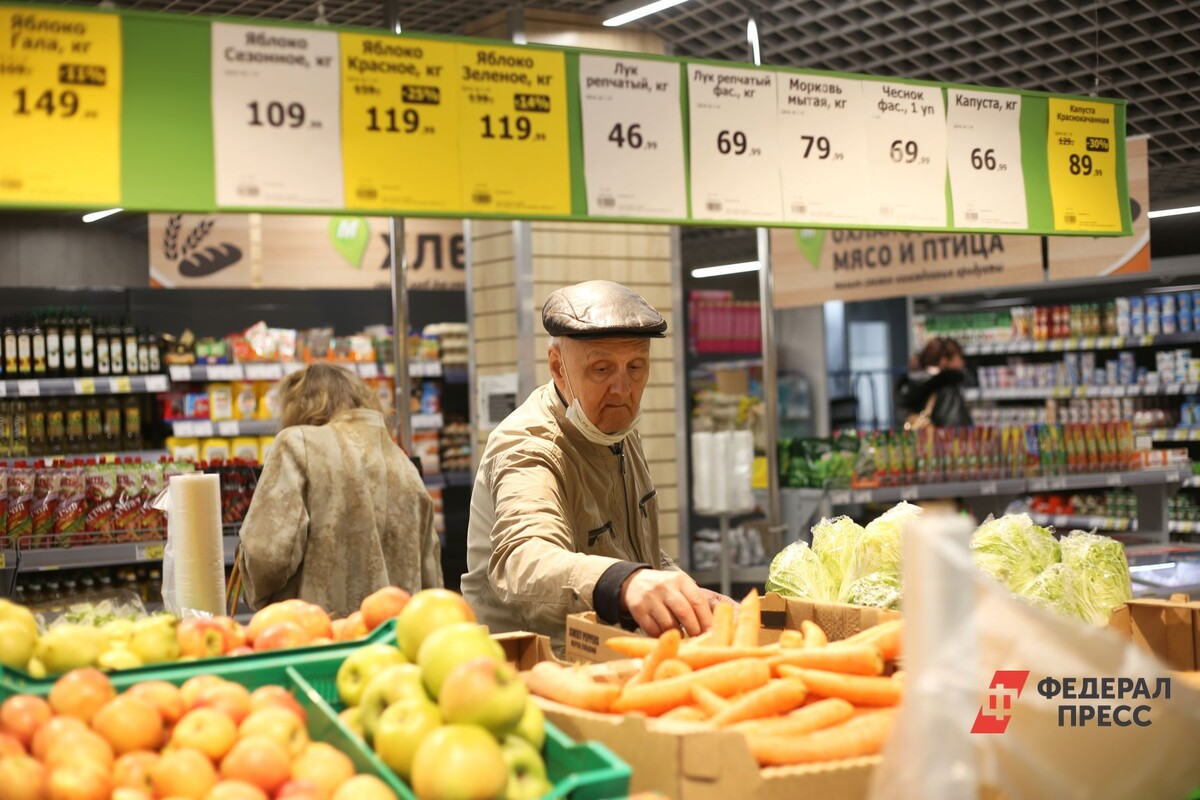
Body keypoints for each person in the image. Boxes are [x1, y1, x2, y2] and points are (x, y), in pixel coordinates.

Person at [462, 280, 721, 649]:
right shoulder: (527, 445)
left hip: (608, 656)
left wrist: (685, 591)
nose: (622, 388)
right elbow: (523, 560)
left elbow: (628, 551)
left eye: (636, 366)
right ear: (558, 367)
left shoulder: (616, 430)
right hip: (529, 670)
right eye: (602, 369)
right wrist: (626, 582)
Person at [238, 363, 442, 616]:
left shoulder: (298, 444)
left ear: (299, 406)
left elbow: (266, 556)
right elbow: (431, 583)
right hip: (391, 643)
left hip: (319, 639)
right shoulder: (404, 465)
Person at [896, 336, 974, 429]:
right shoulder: (947, 389)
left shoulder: (908, 386)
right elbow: (955, 427)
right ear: (944, 361)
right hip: (940, 441)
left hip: (915, 441)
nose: (962, 363)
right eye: (959, 358)